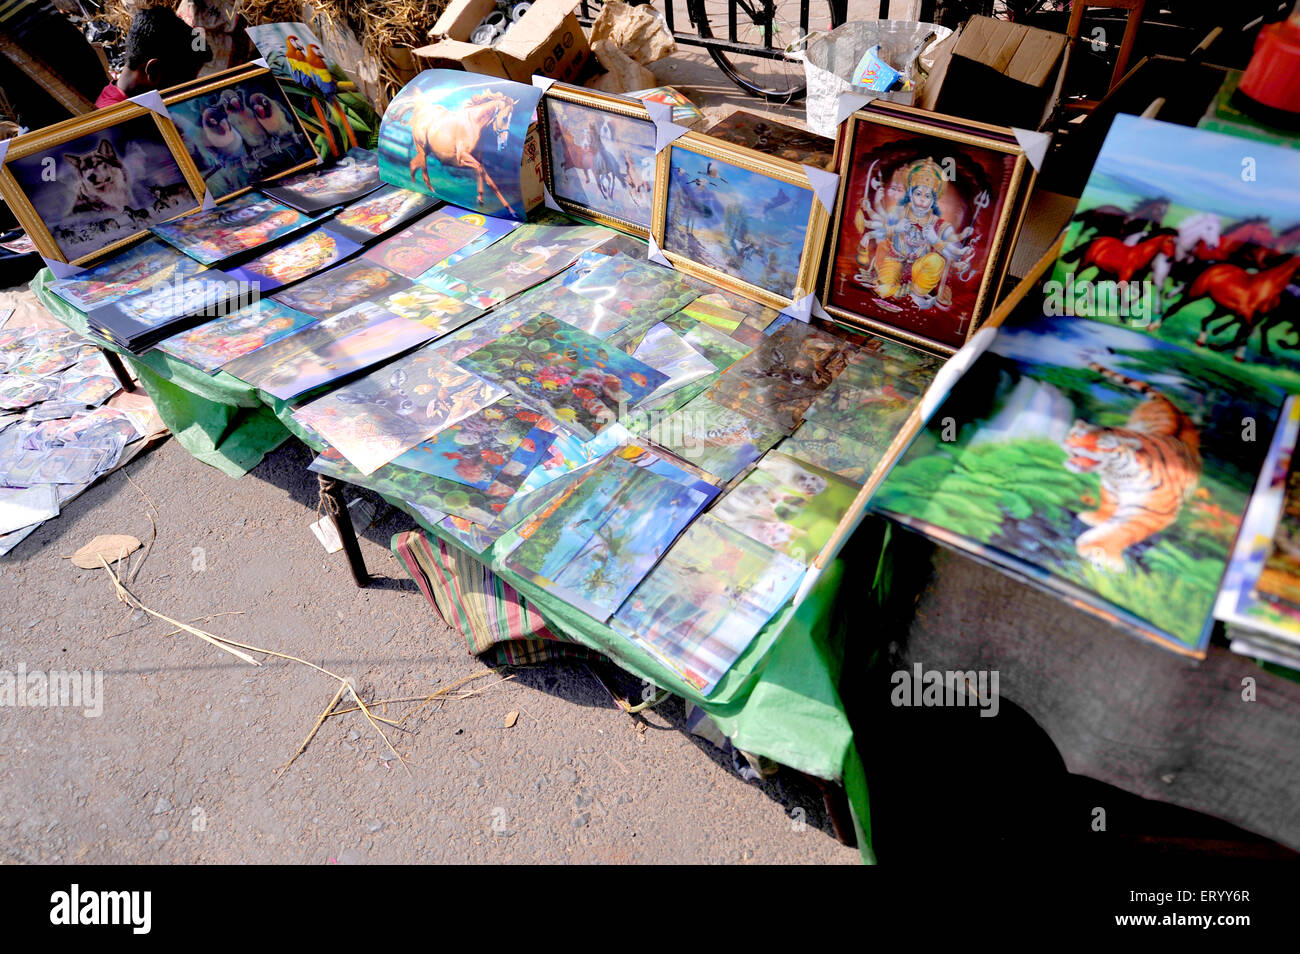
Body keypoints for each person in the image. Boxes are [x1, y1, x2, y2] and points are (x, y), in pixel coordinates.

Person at [96, 6, 211, 108]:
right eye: (183, 84)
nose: (187, 92)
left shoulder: (134, 106)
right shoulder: (120, 124)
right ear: (153, 71)